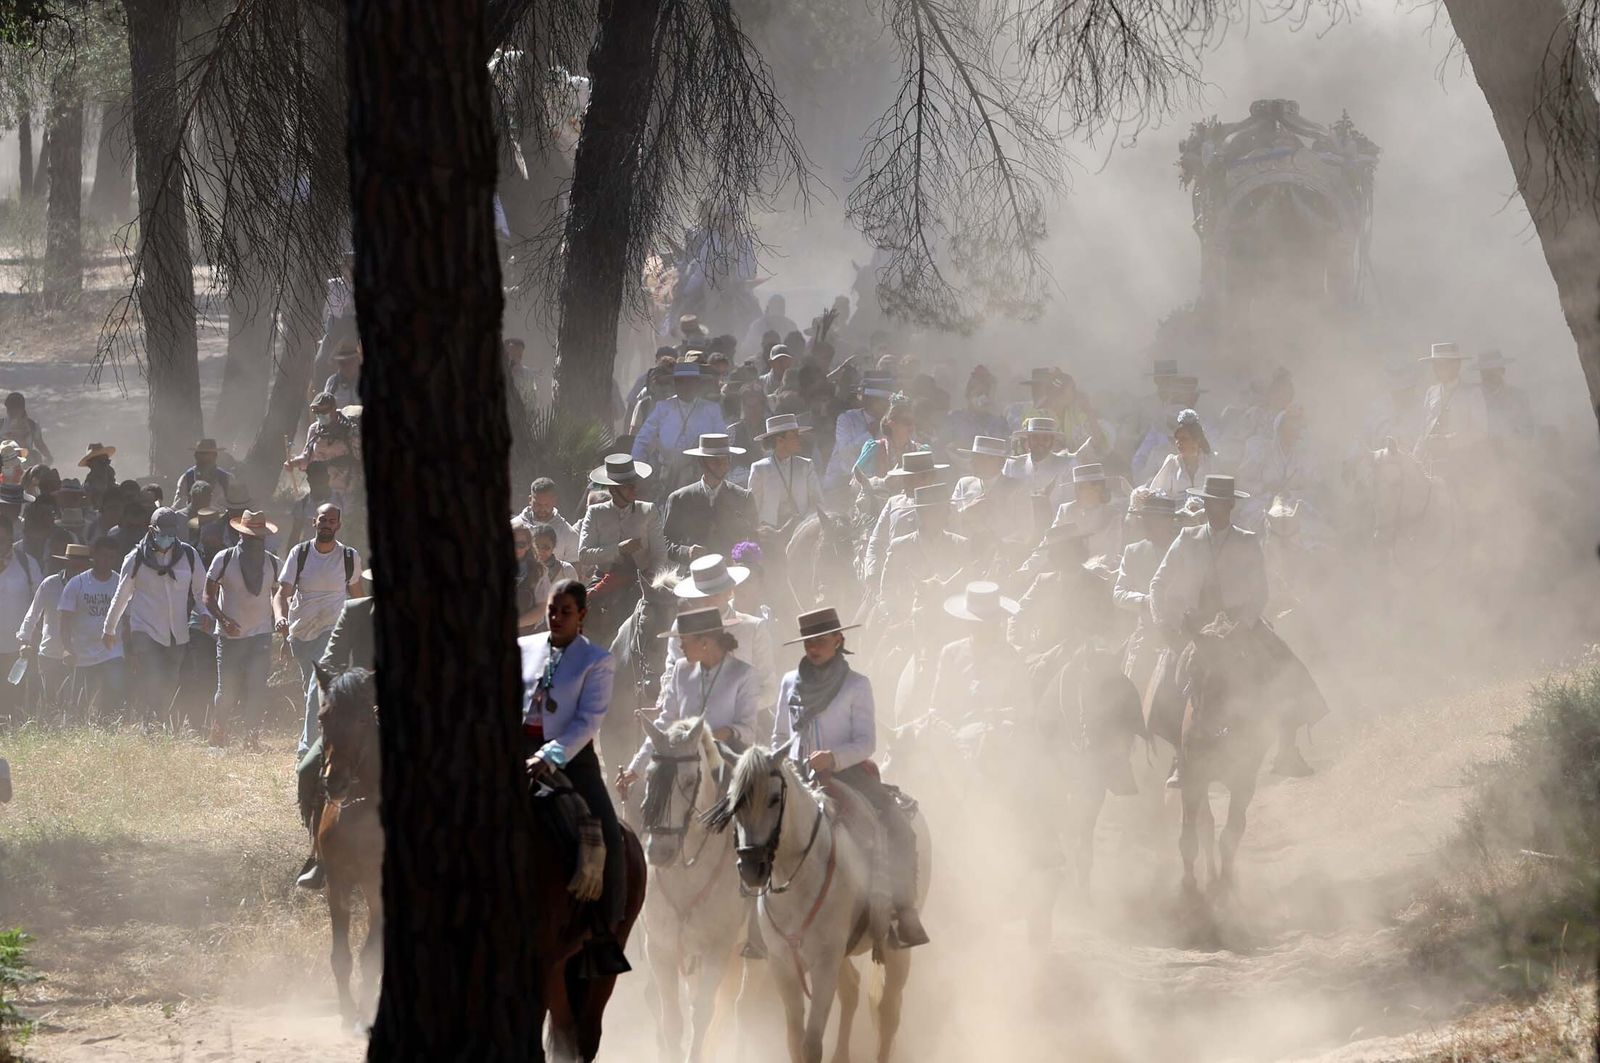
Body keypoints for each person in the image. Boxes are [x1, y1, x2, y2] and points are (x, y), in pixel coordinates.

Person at [771, 607, 928, 948]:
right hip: (796, 774)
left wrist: (834, 758)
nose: (813, 647)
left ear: (839, 640)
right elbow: (779, 735)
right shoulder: (788, 682)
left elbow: (866, 742)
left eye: (821, 640)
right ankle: (756, 923)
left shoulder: (857, 685)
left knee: (898, 827)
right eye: (808, 641)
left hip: (847, 773)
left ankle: (903, 910)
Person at [1148, 475, 1322, 782]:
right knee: (1168, 678)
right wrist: (1163, 620)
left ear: (1230, 505)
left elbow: (1260, 592)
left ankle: (1287, 748)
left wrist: (1244, 625)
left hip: (1238, 624)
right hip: (1195, 625)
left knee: (1284, 666)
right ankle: (1179, 755)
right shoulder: (1187, 538)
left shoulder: (1247, 539)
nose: (1214, 509)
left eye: (1220, 503)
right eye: (1209, 503)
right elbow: (1158, 583)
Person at [520, 579, 632, 974]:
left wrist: (549, 756)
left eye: (566, 611)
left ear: (582, 615)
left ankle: (604, 933)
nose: (556, 617)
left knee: (609, 833)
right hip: (516, 750)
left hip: (571, 758)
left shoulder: (597, 660)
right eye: (552, 609)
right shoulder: (523, 648)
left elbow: (587, 721)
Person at [616, 605, 761, 797]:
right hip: (681, 765)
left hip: (727, 766)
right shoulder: (681, 670)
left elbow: (748, 731)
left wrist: (714, 736)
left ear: (705, 643)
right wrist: (636, 768)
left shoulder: (743, 674)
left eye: (684, 641)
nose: (680, 647)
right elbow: (665, 723)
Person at [295, 578, 377, 890]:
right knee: (308, 769)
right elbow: (329, 663)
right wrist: (342, 699)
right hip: (354, 709)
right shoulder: (356, 610)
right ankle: (320, 855)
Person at [102, 508, 208, 724]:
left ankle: (161, 722)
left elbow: (200, 590)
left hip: (177, 632)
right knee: (153, 677)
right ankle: (150, 725)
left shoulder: (188, 555)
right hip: (145, 630)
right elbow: (122, 596)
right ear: (152, 530)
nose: (167, 538)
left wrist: (205, 612)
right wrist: (109, 628)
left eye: (171, 533)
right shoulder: (136, 558)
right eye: (163, 533)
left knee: (170, 680)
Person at [275, 503, 364, 756]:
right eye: (322, 519)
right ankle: (319, 737)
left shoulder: (349, 557)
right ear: (314, 522)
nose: (327, 524)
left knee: (317, 686)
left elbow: (358, 596)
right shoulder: (300, 553)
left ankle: (307, 752)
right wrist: (280, 617)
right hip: (300, 633)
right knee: (310, 690)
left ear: (338, 525)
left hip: (332, 631)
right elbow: (282, 593)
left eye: (332, 520)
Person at [664, 554, 777, 713]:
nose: (707, 602)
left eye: (714, 594)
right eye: (702, 596)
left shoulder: (753, 628)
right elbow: (671, 677)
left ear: (729, 592)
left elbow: (769, 689)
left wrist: (735, 707)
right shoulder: (681, 627)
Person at [205, 510, 280, 747]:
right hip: (230, 636)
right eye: (251, 535)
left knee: (257, 688)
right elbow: (207, 595)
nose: (255, 539)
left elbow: (280, 593)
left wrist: (278, 617)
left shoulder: (273, 563)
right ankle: (218, 736)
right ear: (241, 535)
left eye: (259, 536)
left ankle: (252, 739)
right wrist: (223, 619)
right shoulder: (224, 559)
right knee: (226, 691)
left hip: (261, 635)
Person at [930, 581, 1029, 723]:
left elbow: (1025, 709)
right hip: (954, 735)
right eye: (976, 624)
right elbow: (937, 707)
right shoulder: (951, 654)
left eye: (989, 624)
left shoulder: (1012, 657)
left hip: (1000, 737)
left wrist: (995, 715)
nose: (983, 629)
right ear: (968, 623)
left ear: (998, 623)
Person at [1113, 491, 1182, 692]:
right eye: (1145, 519)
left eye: (1153, 520)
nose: (1146, 524)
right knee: (1131, 687)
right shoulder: (1133, 551)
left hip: (1183, 631)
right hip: (1148, 633)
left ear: (1168, 521)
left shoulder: (1186, 547)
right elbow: (1118, 593)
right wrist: (1146, 602)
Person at [1008, 520, 1109, 655]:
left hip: (1082, 657)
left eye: (1061, 551)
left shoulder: (1098, 584)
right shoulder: (1043, 581)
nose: (1054, 556)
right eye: (1053, 552)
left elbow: (1106, 627)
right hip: (1043, 654)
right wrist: (1016, 645)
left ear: (1076, 550)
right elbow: (1018, 613)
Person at [661, 434, 757, 568]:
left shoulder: (743, 498)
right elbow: (664, 542)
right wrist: (686, 552)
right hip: (693, 573)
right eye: (715, 461)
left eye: (725, 460)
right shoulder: (679, 499)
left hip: (733, 575)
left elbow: (754, 538)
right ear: (701, 462)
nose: (722, 465)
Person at [18, 542, 90, 716]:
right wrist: (24, 640)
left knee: (76, 702)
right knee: (50, 701)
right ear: (67, 561)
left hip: (82, 653)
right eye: (74, 561)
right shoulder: (50, 584)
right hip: (51, 651)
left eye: (81, 562)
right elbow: (33, 614)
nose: (77, 565)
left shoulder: (91, 585)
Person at [58, 536, 126, 720]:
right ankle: (81, 729)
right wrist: (67, 647)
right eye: (103, 556)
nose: (106, 561)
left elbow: (127, 618)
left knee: (114, 691)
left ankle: (109, 726)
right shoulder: (77, 583)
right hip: (83, 651)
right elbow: (65, 621)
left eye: (111, 557)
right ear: (94, 556)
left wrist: (130, 649)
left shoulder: (121, 583)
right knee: (81, 698)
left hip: (112, 650)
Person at [632, 363, 727, 491]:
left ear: (697, 383)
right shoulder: (663, 408)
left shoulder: (711, 409)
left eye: (690, 381)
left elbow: (722, 443)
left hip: (702, 475)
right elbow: (643, 439)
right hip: (665, 476)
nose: (686, 386)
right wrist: (638, 469)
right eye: (681, 381)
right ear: (675, 384)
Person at [861, 450, 949, 586]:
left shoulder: (946, 507)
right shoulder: (893, 503)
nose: (905, 483)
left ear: (930, 477)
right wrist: (872, 573)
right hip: (895, 580)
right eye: (904, 478)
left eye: (911, 479)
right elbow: (876, 542)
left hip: (937, 582)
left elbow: (954, 543)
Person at [1238, 406, 1314, 531]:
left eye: (1297, 428)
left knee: (1308, 526)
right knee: (1260, 526)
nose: (1294, 433)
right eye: (1290, 428)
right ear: (1279, 429)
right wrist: (1265, 487)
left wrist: (1291, 493)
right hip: (1262, 502)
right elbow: (1242, 483)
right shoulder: (1261, 451)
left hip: (1292, 504)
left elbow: (1309, 487)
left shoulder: (1303, 458)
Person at [748, 413, 822, 538]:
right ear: (780, 441)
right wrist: (761, 530)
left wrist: (806, 524)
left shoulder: (805, 465)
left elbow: (817, 501)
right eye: (794, 436)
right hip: (770, 532)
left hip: (802, 529)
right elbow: (753, 506)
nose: (799, 440)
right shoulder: (760, 469)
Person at [822, 370, 896, 496]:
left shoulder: (891, 422)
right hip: (841, 483)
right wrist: (869, 434)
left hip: (877, 486)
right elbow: (845, 451)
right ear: (867, 401)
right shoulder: (846, 419)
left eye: (886, 402)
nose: (884, 406)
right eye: (879, 402)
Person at [287, 393, 362, 496]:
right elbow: (306, 457)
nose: (320, 415)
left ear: (334, 408)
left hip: (349, 488)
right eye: (317, 412)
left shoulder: (350, 430)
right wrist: (293, 463)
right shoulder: (314, 430)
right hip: (325, 490)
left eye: (324, 411)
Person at [1052, 463, 1124, 562]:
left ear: (1101, 488)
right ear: (1077, 490)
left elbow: (1112, 550)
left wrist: (1092, 569)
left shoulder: (1113, 514)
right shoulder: (1066, 510)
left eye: (1094, 486)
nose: (1088, 491)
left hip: (1102, 569)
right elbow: (1050, 542)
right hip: (1069, 567)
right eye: (1082, 488)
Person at [1146, 409, 1216, 498]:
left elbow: (1218, 494)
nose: (1178, 443)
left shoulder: (1211, 461)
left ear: (1197, 440)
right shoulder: (1172, 463)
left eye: (1184, 439)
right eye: (1177, 439)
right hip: (1177, 511)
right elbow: (1158, 491)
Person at [941, 366, 1008, 457]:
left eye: (987, 394)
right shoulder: (955, 419)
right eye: (979, 393)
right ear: (968, 395)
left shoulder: (999, 422)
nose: (984, 398)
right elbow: (944, 448)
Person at [513, 477, 579, 565]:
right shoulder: (514, 527)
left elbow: (574, 572)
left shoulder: (568, 534)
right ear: (530, 500)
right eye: (538, 504)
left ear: (554, 501)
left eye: (547, 505)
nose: (542, 509)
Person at [1475, 350, 1534, 440]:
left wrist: (1510, 437)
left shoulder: (1519, 396)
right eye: (1485, 371)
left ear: (1502, 371)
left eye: (1494, 370)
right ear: (1481, 373)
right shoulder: (1472, 396)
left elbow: (1527, 428)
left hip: (1513, 449)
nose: (1489, 374)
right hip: (1480, 449)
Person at [288, 461, 345, 546]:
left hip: (336, 555)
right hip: (309, 555)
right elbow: (295, 535)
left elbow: (352, 532)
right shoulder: (302, 504)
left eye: (321, 481)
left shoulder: (341, 501)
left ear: (327, 478)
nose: (318, 485)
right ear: (309, 480)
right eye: (315, 481)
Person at [174, 439, 233, 506]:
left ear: (215, 456)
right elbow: (177, 507)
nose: (204, 458)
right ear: (195, 456)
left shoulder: (227, 479)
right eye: (201, 454)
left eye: (207, 455)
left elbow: (236, 505)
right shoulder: (187, 478)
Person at [513, 522, 546, 634]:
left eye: (520, 545)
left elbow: (541, 609)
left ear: (528, 546)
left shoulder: (538, 571)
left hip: (526, 635)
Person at [1, 393, 51, 466]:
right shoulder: (1, 424)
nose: (11, 411)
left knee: (36, 456)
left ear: (22, 408)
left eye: (14, 408)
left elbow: (39, 443)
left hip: (26, 461)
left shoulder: (32, 426)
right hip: (5, 462)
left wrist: (48, 456)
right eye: (9, 408)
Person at [78, 442, 117, 510]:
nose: (106, 465)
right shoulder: (88, 487)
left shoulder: (109, 474)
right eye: (101, 462)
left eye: (107, 461)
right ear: (91, 464)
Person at [324, 344, 362, 410]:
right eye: (342, 363)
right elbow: (326, 408)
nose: (347, 367)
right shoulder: (332, 382)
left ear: (357, 361)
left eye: (350, 362)